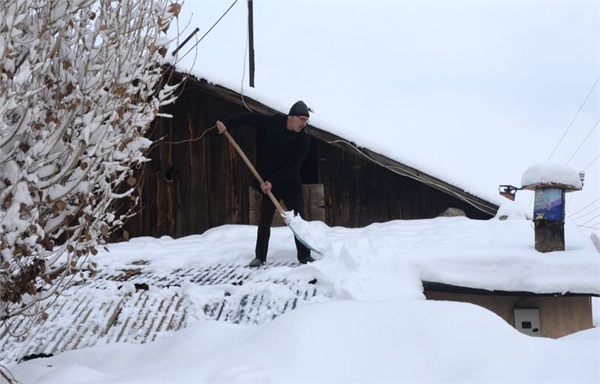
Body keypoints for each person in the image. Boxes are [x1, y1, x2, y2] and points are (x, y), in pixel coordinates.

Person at [216, 101, 315, 268]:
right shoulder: (274, 123)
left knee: (298, 221)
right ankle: (260, 257)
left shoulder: (304, 139)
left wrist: (272, 182)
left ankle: (304, 255)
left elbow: (293, 167)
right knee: (264, 221)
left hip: (289, 183)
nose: (304, 124)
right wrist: (227, 123)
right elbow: (250, 118)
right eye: (302, 119)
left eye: (306, 120)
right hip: (268, 182)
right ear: (291, 117)